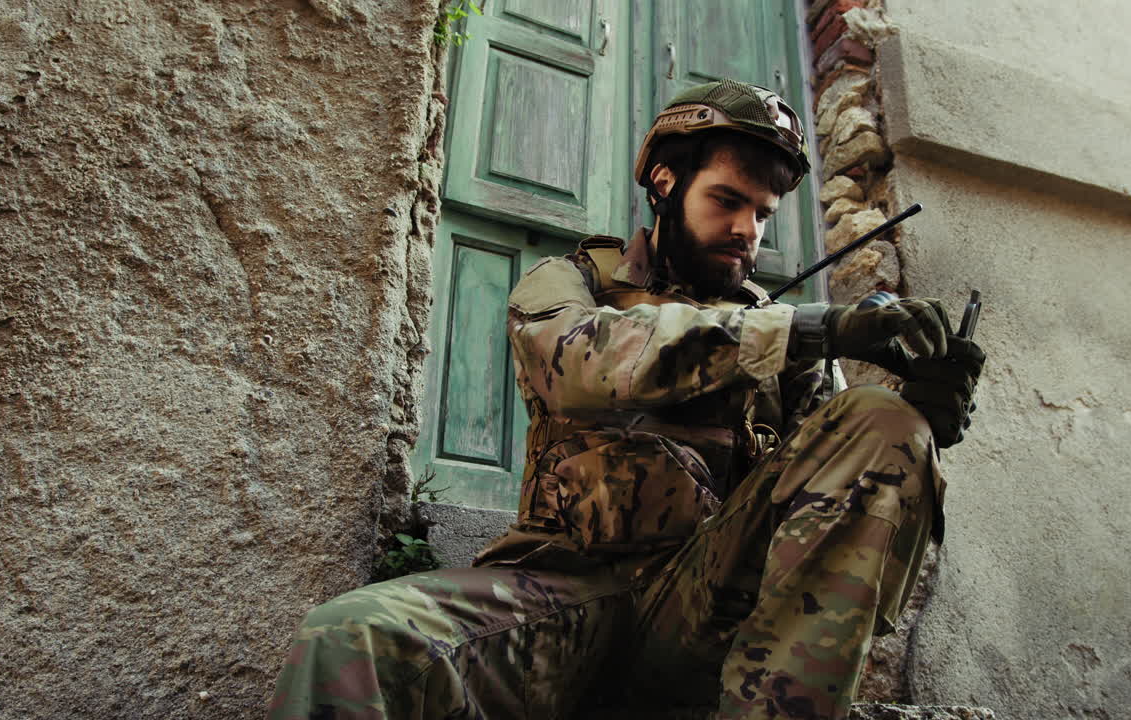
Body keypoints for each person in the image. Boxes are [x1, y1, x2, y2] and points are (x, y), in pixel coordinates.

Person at [267, 79, 984, 720]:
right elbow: (576, 359)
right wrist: (805, 327)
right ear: (665, 183)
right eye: (727, 201)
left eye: (762, 213)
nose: (747, 231)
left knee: (879, 421)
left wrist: (925, 413)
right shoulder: (571, 281)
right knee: (351, 638)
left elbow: (832, 480)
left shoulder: (785, 339)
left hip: (703, 612)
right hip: (562, 596)